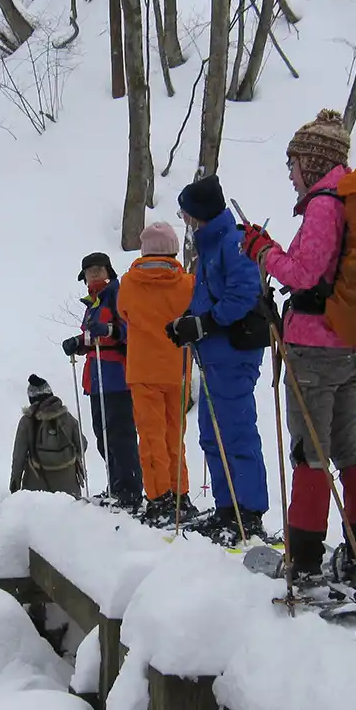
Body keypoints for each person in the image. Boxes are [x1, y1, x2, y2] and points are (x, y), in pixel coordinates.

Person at [240, 109, 356, 581]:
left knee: (311, 451)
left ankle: (303, 558)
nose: (290, 173)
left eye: (294, 162)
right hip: (346, 340)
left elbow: (304, 274)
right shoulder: (346, 200)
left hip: (313, 344)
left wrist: (262, 251)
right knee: (349, 446)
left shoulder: (324, 204)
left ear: (313, 162)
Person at [167, 174, 270, 545]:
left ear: (201, 213)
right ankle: (228, 508)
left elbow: (243, 293)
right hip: (213, 353)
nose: (186, 221)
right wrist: (186, 323)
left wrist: (205, 322)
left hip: (233, 352)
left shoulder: (232, 241)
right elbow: (209, 298)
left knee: (235, 431)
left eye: (187, 214)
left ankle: (249, 512)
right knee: (212, 433)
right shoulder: (210, 245)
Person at [118, 221, 196, 526]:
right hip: (178, 367)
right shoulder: (187, 283)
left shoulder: (129, 283)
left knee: (151, 437)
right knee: (175, 434)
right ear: (174, 250)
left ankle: (158, 497)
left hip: (143, 369)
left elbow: (125, 313)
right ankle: (180, 495)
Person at [62, 252, 143, 511]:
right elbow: (94, 337)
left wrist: (108, 332)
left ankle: (129, 491)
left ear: (109, 271)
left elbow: (132, 330)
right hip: (98, 378)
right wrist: (79, 342)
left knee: (120, 435)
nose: (94, 274)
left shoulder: (118, 295)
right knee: (103, 436)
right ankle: (117, 486)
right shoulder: (95, 303)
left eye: (99, 269)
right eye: (89, 271)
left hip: (117, 377)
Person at [10, 374, 86, 498]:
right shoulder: (67, 418)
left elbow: (19, 456)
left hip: (36, 492)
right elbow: (82, 445)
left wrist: (15, 484)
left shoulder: (27, 421)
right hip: (69, 491)